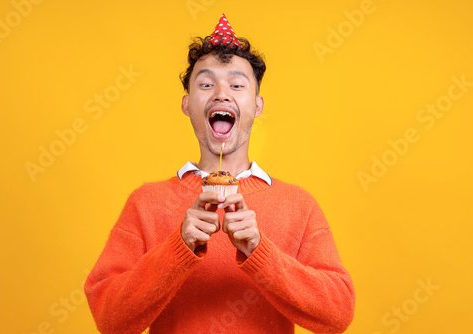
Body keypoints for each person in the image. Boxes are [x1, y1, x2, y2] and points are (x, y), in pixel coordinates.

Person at [84, 13, 355, 334]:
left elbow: (337, 315)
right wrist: (177, 248)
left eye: (237, 85)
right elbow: (110, 320)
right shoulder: (146, 203)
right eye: (206, 84)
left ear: (257, 105)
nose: (221, 94)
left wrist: (260, 252)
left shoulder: (299, 205)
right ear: (187, 105)